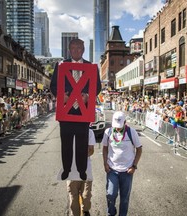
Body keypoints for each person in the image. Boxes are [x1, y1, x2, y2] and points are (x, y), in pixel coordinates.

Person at [50, 38, 101, 180]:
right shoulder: (61, 65)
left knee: (81, 144)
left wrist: (88, 97)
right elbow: (53, 85)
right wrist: (62, 97)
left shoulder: (91, 66)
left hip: (83, 112)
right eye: (73, 48)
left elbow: (97, 87)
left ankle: (81, 170)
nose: (76, 50)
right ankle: (66, 169)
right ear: (69, 50)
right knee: (66, 144)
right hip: (66, 111)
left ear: (83, 50)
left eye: (79, 48)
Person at [102, 111, 142, 216]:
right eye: (116, 126)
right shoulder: (108, 132)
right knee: (110, 194)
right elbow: (105, 148)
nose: (118, 128)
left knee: (124, 198)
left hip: (127, 171)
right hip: (112, 169)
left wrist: (134, 166)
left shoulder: (131, 132)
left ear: (125, 122)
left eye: (120, 126)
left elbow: (139, 149)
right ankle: (111, 212)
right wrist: (105, 163)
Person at [63, 129, 95, 216]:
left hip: (86, 170)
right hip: (72, 171)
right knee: (73, 197)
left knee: (86, 196)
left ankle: (85, 211)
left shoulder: (89, 132)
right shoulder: (67, 130)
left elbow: (91, 150)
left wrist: (79, 156)